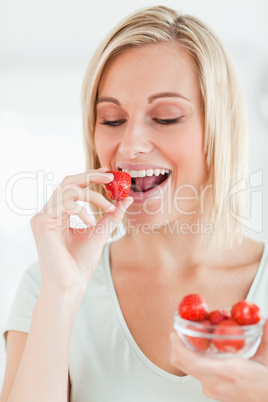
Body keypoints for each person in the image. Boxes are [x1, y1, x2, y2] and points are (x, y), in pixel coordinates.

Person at [1, 5, 268, 402]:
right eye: (111, 120)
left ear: (218, 130)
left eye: (166, 117)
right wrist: (63, 292)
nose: (129, 146)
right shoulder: (46, 285)